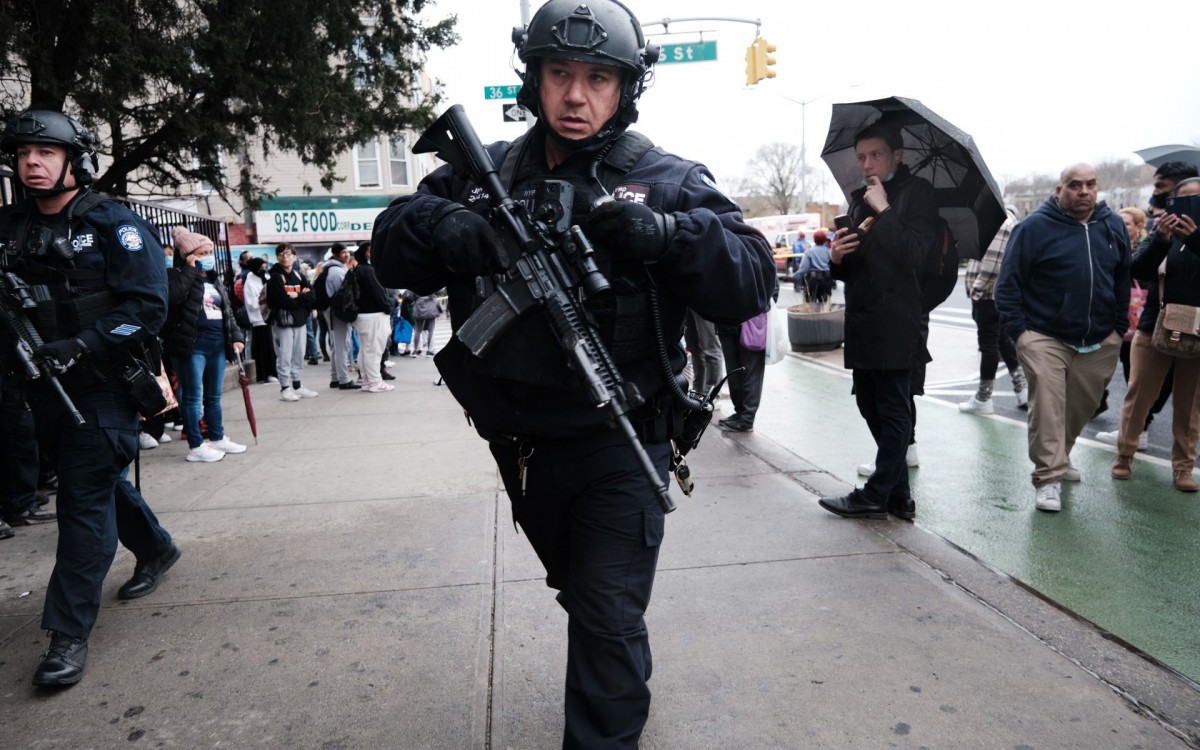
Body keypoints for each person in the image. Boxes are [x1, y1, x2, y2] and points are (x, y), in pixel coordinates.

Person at [370, 1, 776, 744]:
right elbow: (387, 248)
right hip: (520, 449)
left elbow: (751, 277)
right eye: (560, 74)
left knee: (606, 614)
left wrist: (668, 235)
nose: (577, 96)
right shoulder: (482, 172)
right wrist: (438, 224)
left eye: (598, 78)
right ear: (535, 80)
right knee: (584, 592)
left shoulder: (666, 179)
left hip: (621, 443)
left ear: (626, 89)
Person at [0, 109, 180, 687]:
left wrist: (80, 344)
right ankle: (156, 547)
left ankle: (67, 635)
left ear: (74, 161)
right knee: (96, 481)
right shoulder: (9, 226)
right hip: (40, 388)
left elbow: (148, 307)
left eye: (46, 153)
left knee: (83, 509)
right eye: (24, 153)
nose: (32, 162)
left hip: (102, 386)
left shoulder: (112, 222)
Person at [817, 121, 938, 522]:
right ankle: (899, 495)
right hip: (863, 318)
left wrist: (885, 209)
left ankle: (875, 493)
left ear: (897, 156)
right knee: (869, 403)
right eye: (861, 157)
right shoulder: (858, 199)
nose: (867, 163)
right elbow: (860, 266)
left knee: (893, 407)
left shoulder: (917, 195)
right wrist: (838, 258)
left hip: (899, 319)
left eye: (876, 154)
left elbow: (916, 255)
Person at [994, 163, 1130, 512]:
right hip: (1043, 335)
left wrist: (1116, 327)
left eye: (1090, 184)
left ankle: (1061, 456)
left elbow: (1121, 278)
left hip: (1100, 338)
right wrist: (1020, 334)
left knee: (1080, 406)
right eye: (1074, 185)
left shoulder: (1112, 225)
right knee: (1049, 406)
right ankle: (1048, 477)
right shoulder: (1034, 228)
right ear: (1059, 190)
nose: (1083, 191)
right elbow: (1007, 284)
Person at [1111, 177, 1200, 491]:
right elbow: (1137, 270)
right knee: (1139, 398)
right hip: (1154, 327)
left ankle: (1183, 468)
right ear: (1172, 204)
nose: (1190, 207)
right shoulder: (1160, 234)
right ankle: (1124, 456)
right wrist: (1162, 240)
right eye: (1183, 200)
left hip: (1197, 333)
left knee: (1190, 408)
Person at [164, 228, 248, 462]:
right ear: (188, 255)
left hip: (217, 345)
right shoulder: (175, 276)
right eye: (203, 252)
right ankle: (196, 445)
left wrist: (236, 336)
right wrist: (190, 269)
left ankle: (218, 437)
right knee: (192, 396)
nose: (209, 256)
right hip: (192, 346)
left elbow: (227, 311)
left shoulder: (214, 280)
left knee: (213, 396)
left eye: (210, 251)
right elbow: (175, 297)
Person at [1096, 205, 1171, 450]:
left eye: (1127, 223)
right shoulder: (1111, 245)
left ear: (1139, 227)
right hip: (1116, 319)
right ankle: (1127, 422)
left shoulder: (1146, 248)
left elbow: (1145, 274)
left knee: (1136, 378)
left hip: (1138, 321)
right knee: (1112, 369)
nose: (1121, 226)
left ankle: (1140, 430)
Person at [958, 206, 1028, 414]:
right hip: (998, 294)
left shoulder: (998, 220)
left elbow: (992, 263)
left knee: (988, 345)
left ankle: (983, 397)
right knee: (1003, 341)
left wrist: (977, 291)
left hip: (989, 296)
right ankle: (1021, 387)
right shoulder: (1003, 219)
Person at [266, 243, 319, 401]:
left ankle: (297, 385)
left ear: (294, 256)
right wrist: (300, 297)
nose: (285, 257)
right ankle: (285, 388)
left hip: (299, 321)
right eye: (281, 254)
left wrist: (297, 297)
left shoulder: (297, 275)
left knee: (299, 354)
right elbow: (282, 301)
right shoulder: (276, 277)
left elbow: (312, 296)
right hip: (284, 321)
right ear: (277, 257)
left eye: (288, 254)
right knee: (284, 355)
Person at [350, 242, 394, 393]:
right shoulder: (369, 270)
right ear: (365, 253)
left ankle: (366, 380)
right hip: (374, 316)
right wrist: (389, 308)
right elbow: (379, 293)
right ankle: (375, 382)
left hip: (361, 316)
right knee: (374, 352)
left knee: (364, 350)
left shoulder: (357, 269)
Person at [322, 242, 360, 390]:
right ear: (336, 254)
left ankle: (335, 378)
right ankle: (344, 380)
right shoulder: (337, 272)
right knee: (342, 346)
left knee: (336, 345)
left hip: (332, 312)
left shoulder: (330, 268)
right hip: (338, 313)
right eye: (343, 252)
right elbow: (344, 295)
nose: (347, 255)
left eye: (347, 252)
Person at [241, 256, 277, 384]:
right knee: (263, 348)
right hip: (258, 319)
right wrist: (266, 303)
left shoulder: (264, 278)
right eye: (261, 267)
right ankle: (265, 374)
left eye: (264, 267)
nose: (264, 269)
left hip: (268, 318)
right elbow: (251, 303)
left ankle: (272, 372)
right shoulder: (250, 282)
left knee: (271, 347)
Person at [683, 309, 722, 398]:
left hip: (704, 301)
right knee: (693, 348)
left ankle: (711, 395)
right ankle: (697, 392)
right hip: (687, 302)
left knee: (711, 348)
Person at [793, 229, 833, 302]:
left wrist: (796, 274)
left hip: (813, 281)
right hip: (827, 280)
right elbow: (833, 266)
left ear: (814, 239)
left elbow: (804, 268)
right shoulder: (829, 251)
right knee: (825, 304)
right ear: (824, 240)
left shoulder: (809, 252)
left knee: (811, 305)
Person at [410, 291, 443, 357]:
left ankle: (415, 351)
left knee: (417, 331)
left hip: (419, 306)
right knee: (431, 331)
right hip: (431, 305)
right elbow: (439, 292)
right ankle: (429, 351)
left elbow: (412, 296)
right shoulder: (431, 283)